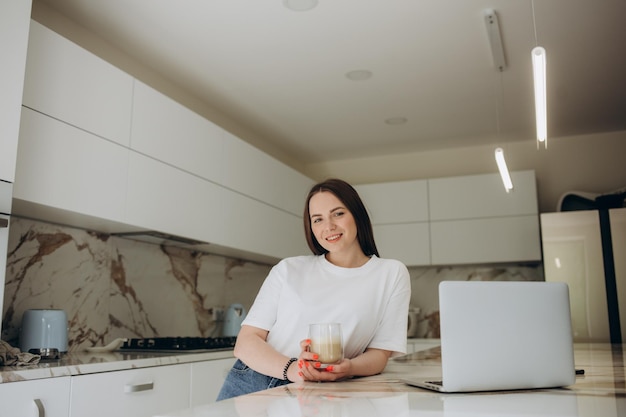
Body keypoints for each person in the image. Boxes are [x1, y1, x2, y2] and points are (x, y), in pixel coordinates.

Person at [216, 178, 411, 400]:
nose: (328, 226)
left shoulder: (391, 273)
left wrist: (348, 368)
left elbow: (380, 354)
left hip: (321, 390)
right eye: (317, 219)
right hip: (254, 380)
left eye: (338, 214)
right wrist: (294, 369)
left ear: (357, 214)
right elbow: (246, 342)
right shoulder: (289, 269)